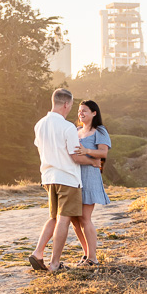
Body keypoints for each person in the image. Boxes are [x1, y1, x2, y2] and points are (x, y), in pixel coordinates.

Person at [28, 89, 99, 273]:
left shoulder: (40, 124)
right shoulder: (67, 127)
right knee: (63, 220)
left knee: (53, 217)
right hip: (67, 178)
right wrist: (93, 161)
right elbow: (76, 157)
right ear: (66, 104)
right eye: (71, 106)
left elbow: (42, 149)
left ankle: (38, 253)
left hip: (48, 177)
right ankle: (54, 263)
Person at [70, 99, 112, 267]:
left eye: (85, 110)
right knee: (74, 219)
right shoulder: (76, 130)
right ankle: (86, 254)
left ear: (94, 113)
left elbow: (103, 153)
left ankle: (93, 258)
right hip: (74, 177)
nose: (81, 113)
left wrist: (87, 151)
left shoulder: (99, 131)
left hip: (90, 177)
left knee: (85, 217)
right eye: (79, 111)